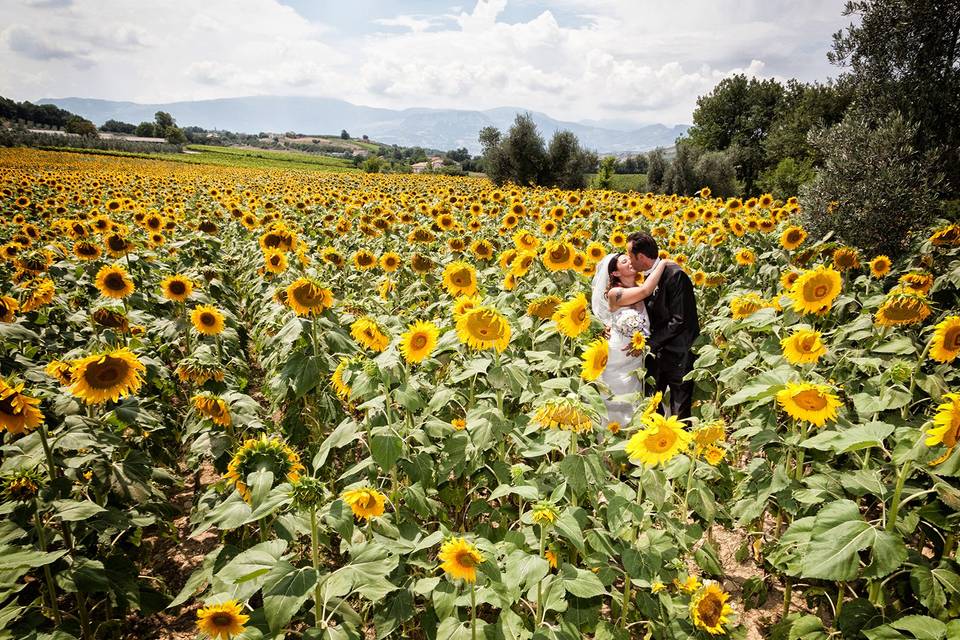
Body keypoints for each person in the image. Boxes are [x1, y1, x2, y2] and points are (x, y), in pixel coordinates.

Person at [591, 253, 673, 426]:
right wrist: (663, 262)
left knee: (638, 398)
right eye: (624, 261)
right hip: (618, 356)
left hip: (639, 358)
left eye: (630, 258)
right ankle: (613, 441)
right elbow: (645, 291)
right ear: (615, 273)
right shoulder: (615, 293)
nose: (630, 261)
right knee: (617, 398)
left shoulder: (639, 286)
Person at [625, 231, 700, 420]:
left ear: (640, 257)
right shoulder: (650, 278)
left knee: (679, 410)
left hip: (678, 354)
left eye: (629, 256)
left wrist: (649, 343)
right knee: (651, 407)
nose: (629, 260)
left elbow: (679, 320)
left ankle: (681, 449)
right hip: (657, 357)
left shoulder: (675, 275)